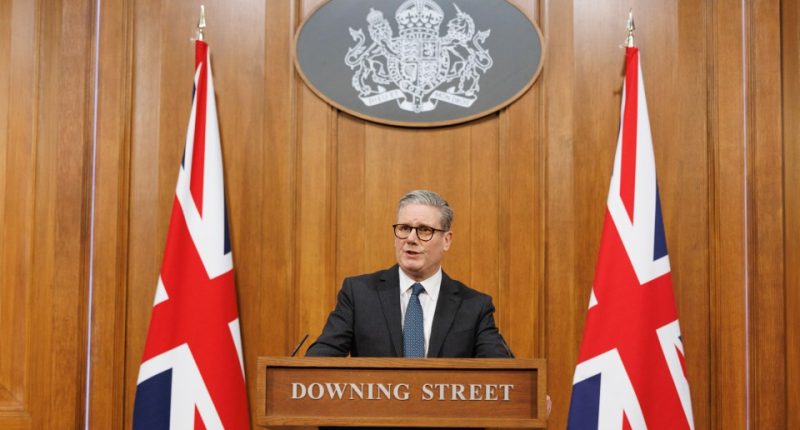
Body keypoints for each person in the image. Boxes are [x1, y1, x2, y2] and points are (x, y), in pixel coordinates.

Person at [306, 189, 512, 358]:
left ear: (447, 240)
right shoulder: (359, 294)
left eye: (424, 230)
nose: (411, 239)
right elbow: (323, 357)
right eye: (404, 228)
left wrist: (529, 393)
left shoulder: (474, 305)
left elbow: (502, 374)